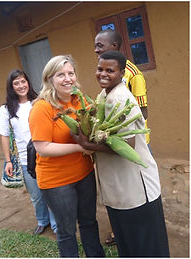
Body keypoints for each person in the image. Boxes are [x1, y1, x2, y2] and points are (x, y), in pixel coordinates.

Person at [73, 50, 170, 257]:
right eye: (100, 69)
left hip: (135, 185)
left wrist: (88, 145)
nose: (103, 74)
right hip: (119, 184)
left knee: (144, 243)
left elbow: (128, 144)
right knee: (127, 239)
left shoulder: (120, 98)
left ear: (122, 72)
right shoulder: (104, 94)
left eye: (110, 70)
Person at [28, 55, 105, 258]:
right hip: (57, 181)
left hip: (84, 173)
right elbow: (43, 148)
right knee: (66, 231)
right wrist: (80, 148)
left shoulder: (79, 99)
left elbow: (94, 124)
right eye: (60, 75)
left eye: (71, 73)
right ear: (49, 79)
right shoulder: (42, 107)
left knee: (89, 222)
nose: (67, 79)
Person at [95, 29, 151, 245]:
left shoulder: (133, 75)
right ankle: (120, 233)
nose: (96, 49)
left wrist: (121, 123)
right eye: (96, 45)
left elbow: (143, 111)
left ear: (115, 46)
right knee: (120, 188)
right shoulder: (105, 81)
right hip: (116, 140)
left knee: (137, 187)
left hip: (134, 140)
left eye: (101, 45)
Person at [0, 69, 57, 236]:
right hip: (24, 159)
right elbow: (4, 137)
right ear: (11, 87)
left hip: (46, 154)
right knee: (36, 195)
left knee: (50, 192)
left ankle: (57, 225)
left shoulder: (40, 102)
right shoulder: (6, 110)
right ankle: (43, 221)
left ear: (28, 82)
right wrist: (8, 161)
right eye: (16, 83)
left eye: (23, 81)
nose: (21, 86)